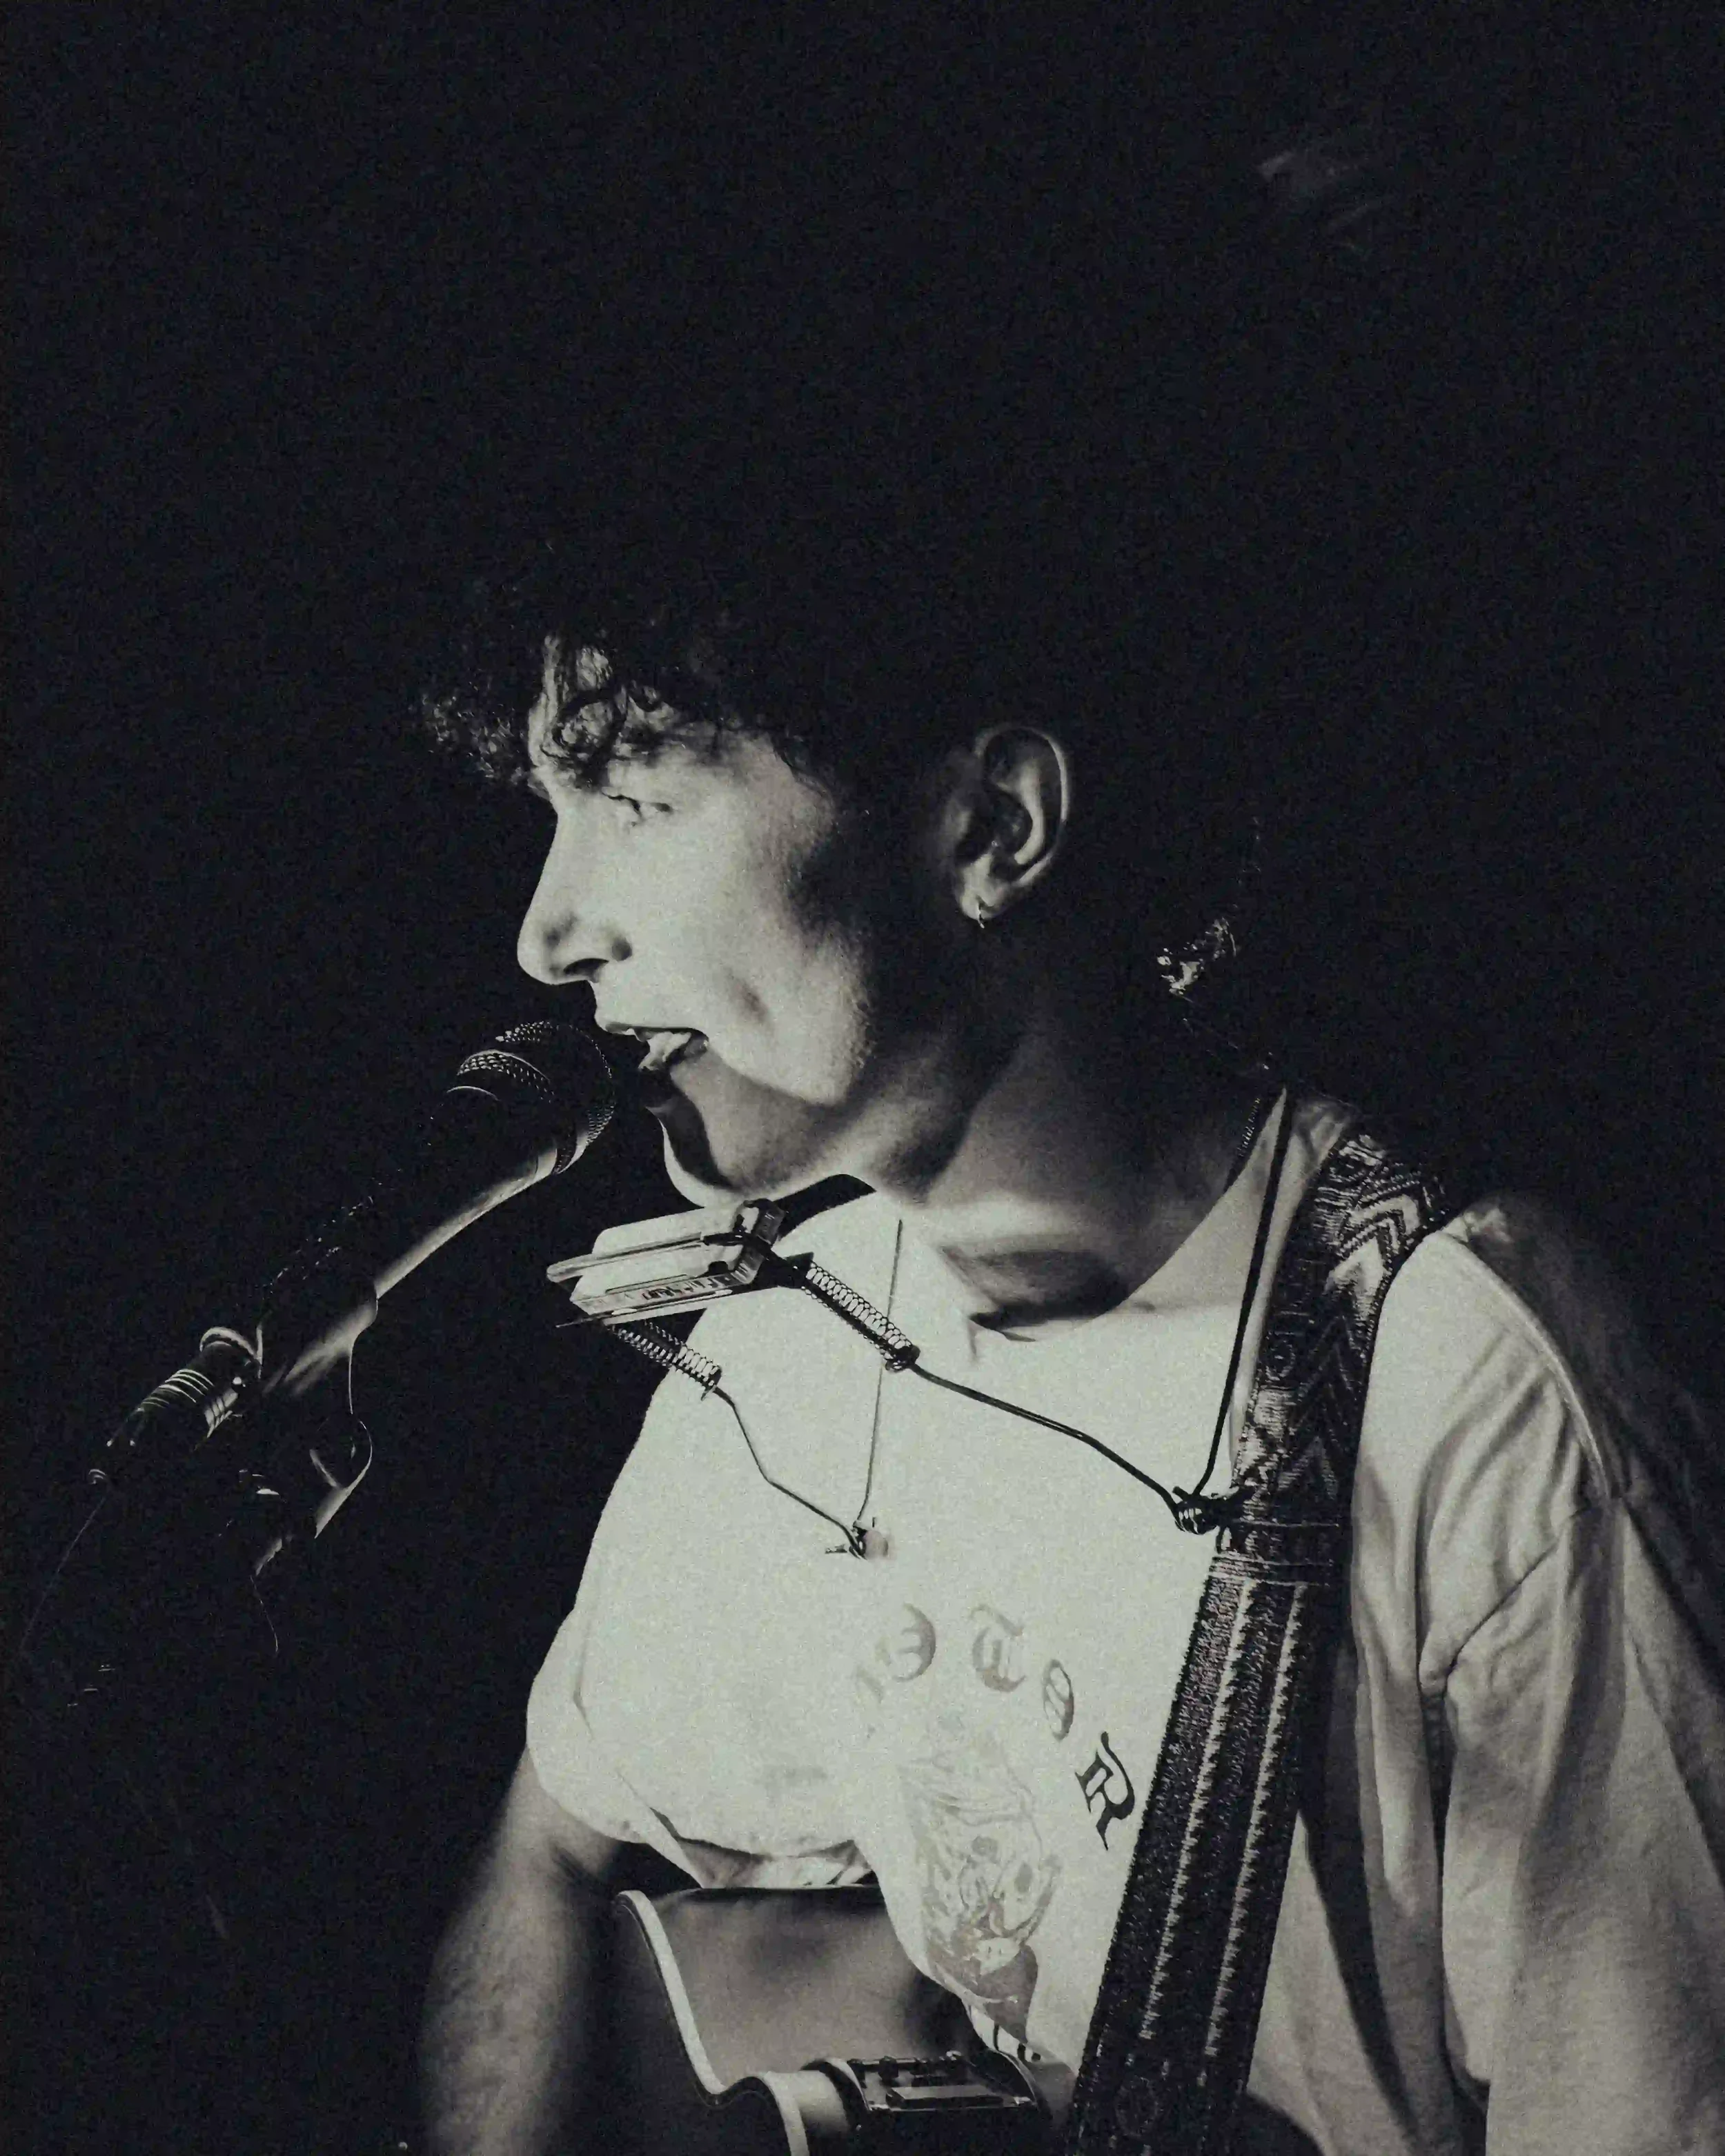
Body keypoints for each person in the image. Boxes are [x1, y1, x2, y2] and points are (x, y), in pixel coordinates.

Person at [411, 505, 1725, 2154]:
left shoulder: (1469, 1385)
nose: (549, 929)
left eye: (635, 798)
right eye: (553, 808)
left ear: (993, 825)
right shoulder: (793, 1350)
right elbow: (557, 1831)